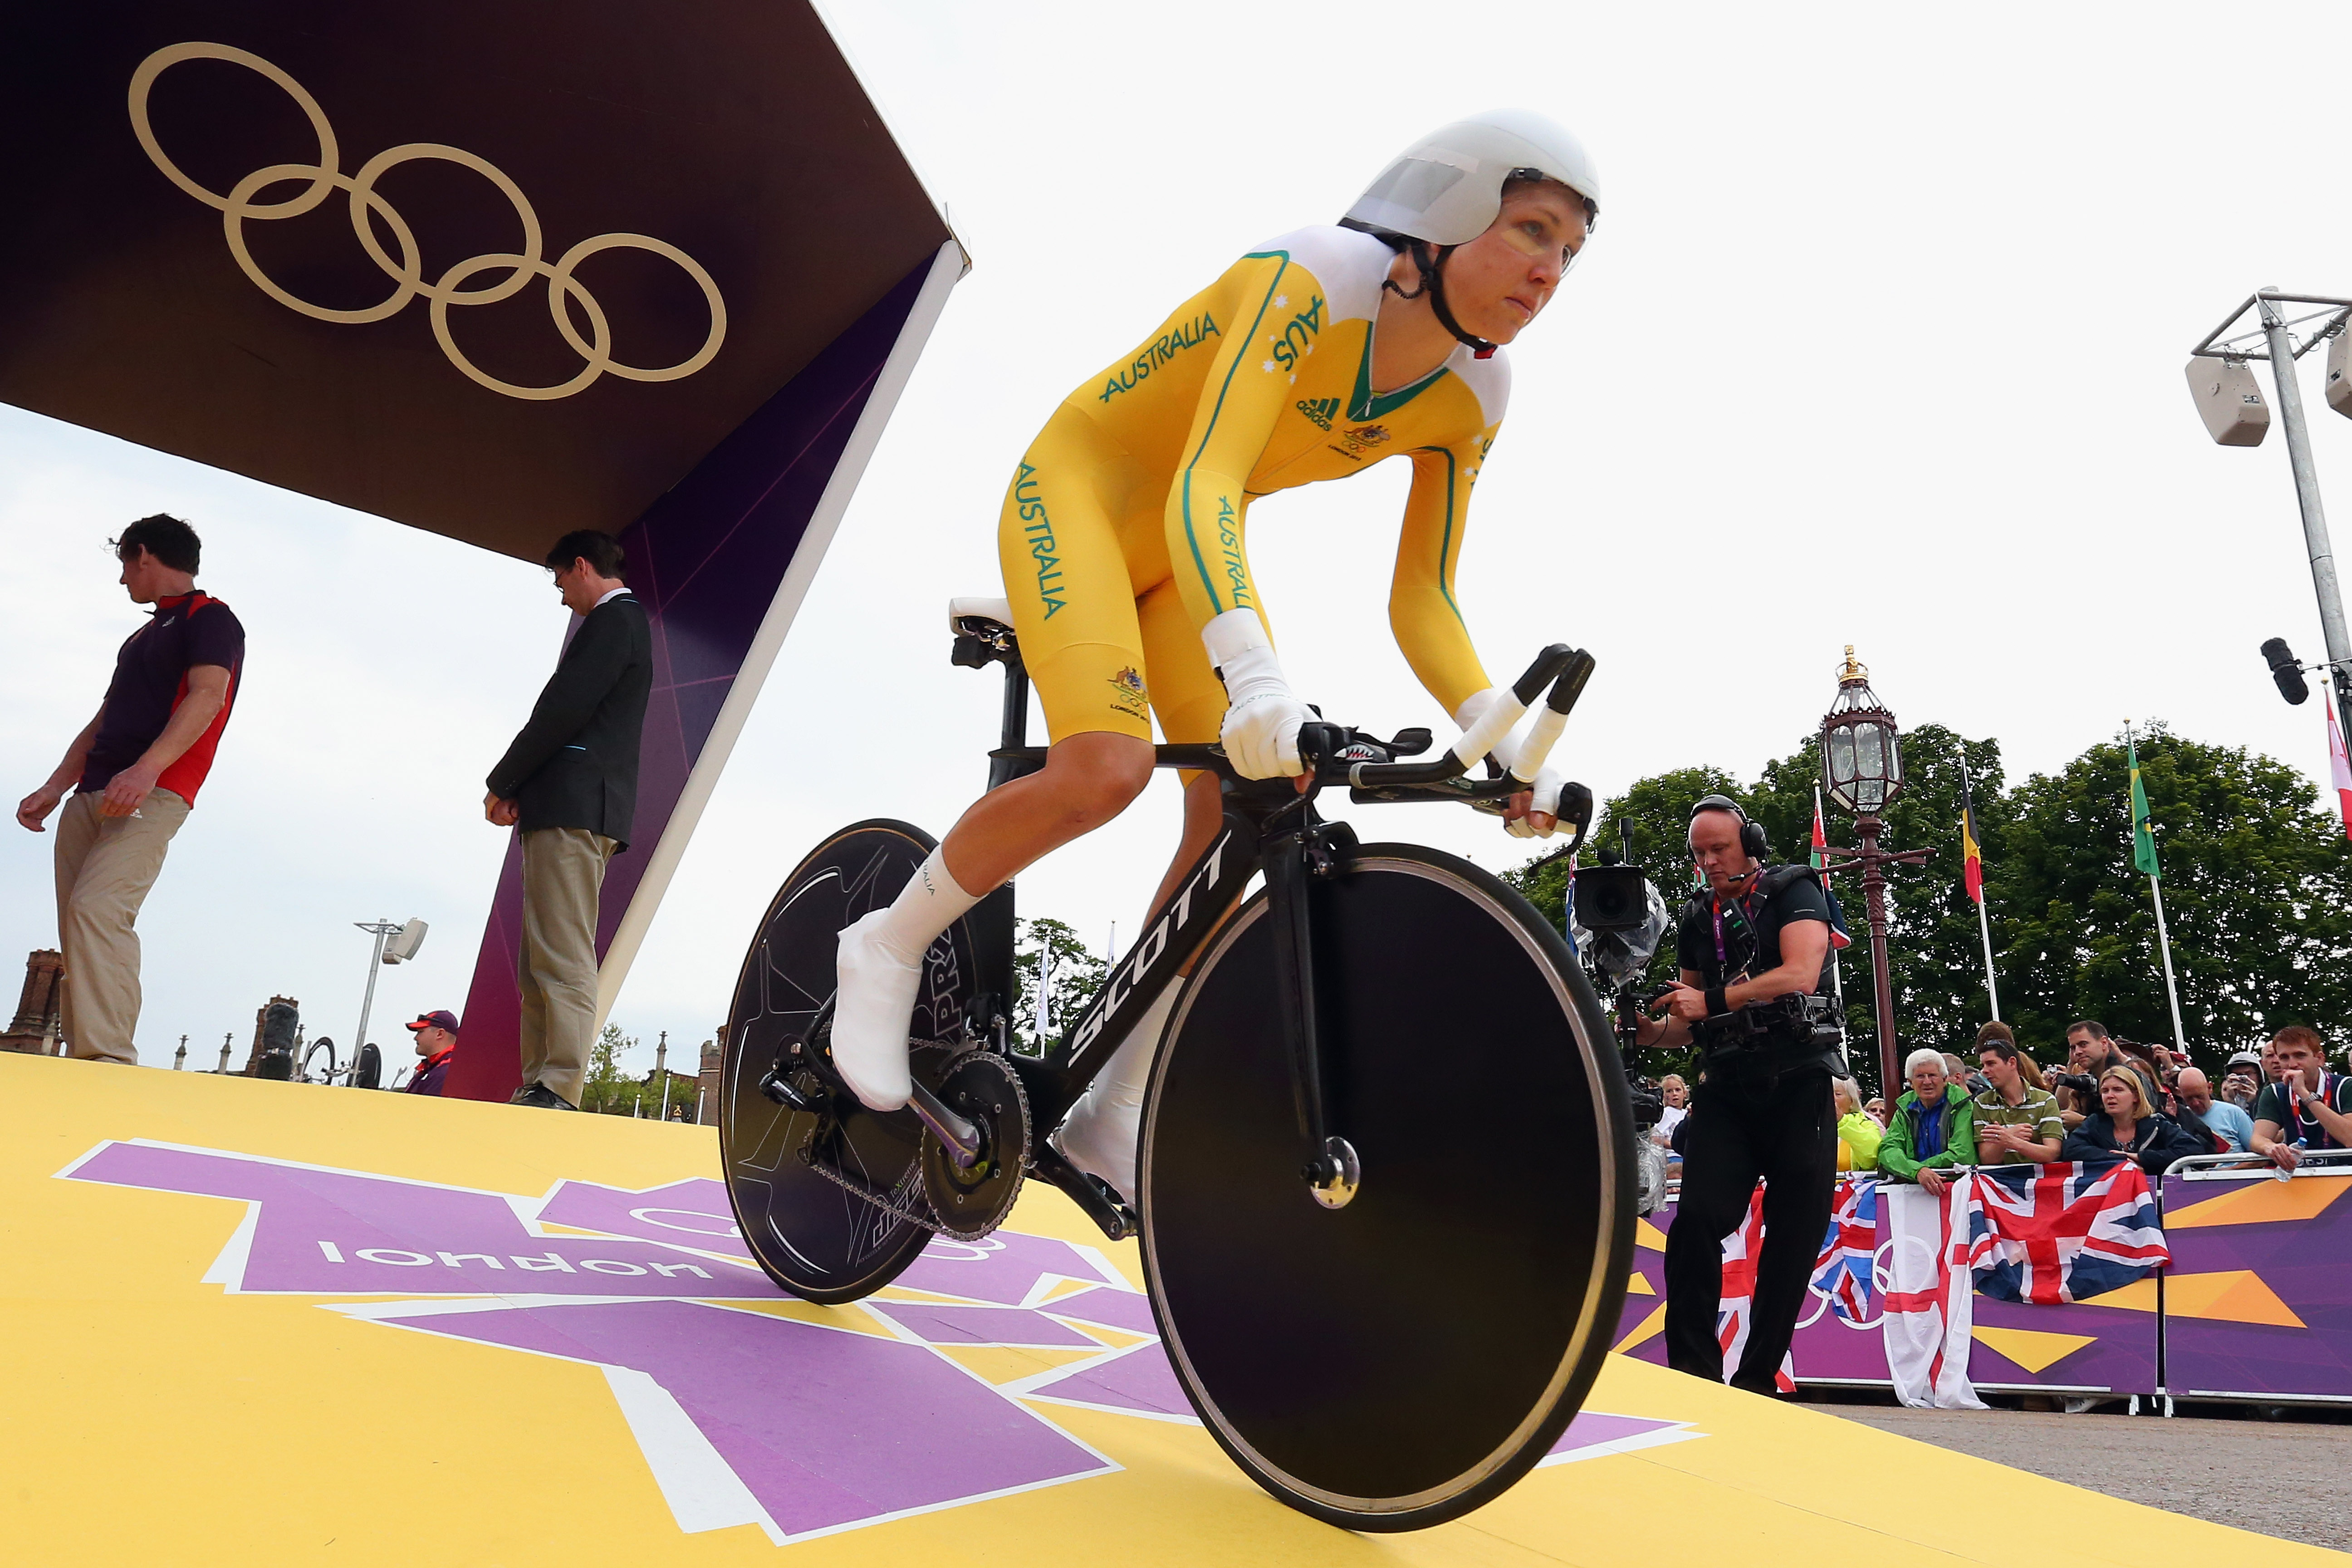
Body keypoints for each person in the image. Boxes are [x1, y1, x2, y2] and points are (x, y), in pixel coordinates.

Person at [821, 111, 1604, 1205]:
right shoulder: (1312, 276)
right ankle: (883, 942)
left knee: (1252, 797)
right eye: (1529, 228)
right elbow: (1206, 481)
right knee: (1106, 769)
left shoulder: (1476, 393)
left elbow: (1423, 594)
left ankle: (1114, 1095)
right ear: (1446, 212)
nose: (1548, 268)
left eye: (1569, 250)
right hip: (1083, 495)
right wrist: (1256, 675)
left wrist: (1502, 738)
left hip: (1181, 562)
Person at [15, 516, 244, 1067]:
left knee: (99, 909)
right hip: (91, 792)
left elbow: (209, 696)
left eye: (124, 565)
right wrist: (54, 785)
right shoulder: (142, 636)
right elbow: (104, 720)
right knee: (76, 922)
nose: (123, 581)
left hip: (155, 791)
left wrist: (146, 772)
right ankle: (82, 1056)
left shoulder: (212, 618)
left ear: (143, 555)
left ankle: (109, 1061)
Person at [1631, 795, 1838, 1395]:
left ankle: (1755, 1382)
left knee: (1792, 1240)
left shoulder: (1796, 889)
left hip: (1800, 1083)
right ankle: (1695, 1376)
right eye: (1700, 853)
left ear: (1750, 840)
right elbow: (1688, 1021)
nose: (1710, 862)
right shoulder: (1698, 916)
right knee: (1695, 1223)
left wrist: (1715, 1002)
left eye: (1719, 848)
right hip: (1726, 1088)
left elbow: (1800, 972)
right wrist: (1652, 1032)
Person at [485, 530, 651, 1111]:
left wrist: (503, 780)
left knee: (563, 953)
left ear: (581, 567)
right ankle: (540, 1083)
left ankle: (558, 1087)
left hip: (578, 806)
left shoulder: (615, 621)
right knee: (540, 960)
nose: (561, 597)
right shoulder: (621, 624)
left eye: (560, 580)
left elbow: (563, 709)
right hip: (568, 805)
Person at [2059, 1064, 2205, 1176]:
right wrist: (2122, 1162)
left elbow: (2193, 1150)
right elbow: (2071, 1149)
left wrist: (2142, 1158)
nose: (2110, 1096)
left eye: (2118, 1090)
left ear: (2136, 1096)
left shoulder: (2157, 1124)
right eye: (2105, 1091)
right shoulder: (2095, 1122)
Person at [2250, 1025, 2352, 1171]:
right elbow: (2258, 1139)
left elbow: (2350, 1138)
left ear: (2320, 1059)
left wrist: (2305, 1094)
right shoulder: (2274, 1092)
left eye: (2300, 1055)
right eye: (2284, 1057)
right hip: (2298, 1178)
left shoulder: (2346, 1087)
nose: (2292, 1064)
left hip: (2344, 1177)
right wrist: (2271, 1147)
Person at [1878, 1050, 1977, 1196]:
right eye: (1920, 1076)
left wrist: (1917, 1171)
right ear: (1910, 1083)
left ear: (1944, 1079)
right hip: (1914, 1194)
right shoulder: (1905, 1109)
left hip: (1958, 1192)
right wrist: (1917, 1172)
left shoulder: (1963, 1106)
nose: (1927, 1082)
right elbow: (1887, 1150)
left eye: (1932, 1076)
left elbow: (1962, 1155)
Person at [1971, 1026, 2063, 1165]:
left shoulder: (2046, 1100)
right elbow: (1987, 1159)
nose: (1984, 1071)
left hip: (2039, 1181)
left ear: (2012, 1063)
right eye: (1983, 1065)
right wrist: (2011, 1136)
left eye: (1991, 1064)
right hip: (2000, 1182)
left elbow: (2052, 1154)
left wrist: (2009, 1140)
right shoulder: (1982, 1103)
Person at [2174, 1067, 2253, 1154]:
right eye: (2189, 1098)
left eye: (2200, 1096)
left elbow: (2259, 1157)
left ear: (2210, 1088)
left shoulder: (2234, 1113)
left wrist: (2231, 1168)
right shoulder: (2179, 1121)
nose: (2196, 1103)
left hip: (2238, 1167)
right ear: (2180, 1093)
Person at [403, 1010, 460, 1096]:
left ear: (440, 1034)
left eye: (420, 1032)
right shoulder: (434, 1068)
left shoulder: (447, 1071)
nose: (416, 1038)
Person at [1833, 1077, 1881, 1172]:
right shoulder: (1810, 1125)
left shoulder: (1866, 1124)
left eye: (1837, 1094)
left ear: (1852, 1101)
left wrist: (1842, 1121)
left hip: (1849, 1186)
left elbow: (1871, 1160)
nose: (1830, 1098)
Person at [1650, 1074, 1689, 1147]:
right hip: (1673, 1155)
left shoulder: (1686, 1113)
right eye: (1669, 1091)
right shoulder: (1667, 1113)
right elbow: (1655, 1137)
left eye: (1678, 1090)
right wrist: (1674, 1146)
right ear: (1664, 1096)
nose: (1674, 1094)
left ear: (1685, 1093)